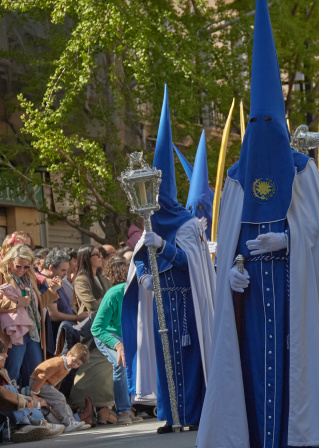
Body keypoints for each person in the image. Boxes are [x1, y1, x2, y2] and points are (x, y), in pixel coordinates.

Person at [197, 3, 319, 446]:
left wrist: (291, 238)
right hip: (253, 297)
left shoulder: (302, 171)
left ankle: (302, 433)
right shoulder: (238, 176)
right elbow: (231, 238)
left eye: (267, 121)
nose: (261, 129)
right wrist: (232, 272)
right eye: (254, 123)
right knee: (252, 366)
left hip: (298, 292)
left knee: (297, 362)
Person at [121, 86, 215, 435]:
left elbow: (193, 263)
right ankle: (170, 413)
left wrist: (164, 246)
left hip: (186, 302)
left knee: (188, 358)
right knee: (164, 358)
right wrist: (143, 273)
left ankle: (191, 411)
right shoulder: (151, 223)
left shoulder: (188, 224)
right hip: (161, 302)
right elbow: (142, 261)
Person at [92, 256, 143, 426]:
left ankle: (132, 406)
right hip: (109, 336)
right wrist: (118, 344)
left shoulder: (142, 289)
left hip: (128, 336)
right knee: (121, 363)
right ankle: (123, 410)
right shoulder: (114, 293)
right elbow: (97, 328)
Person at [0, 245, 59, 387]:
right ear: (10, 262)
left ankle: (31, 406)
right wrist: (16, 302)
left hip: (33, 330)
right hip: (14, 332)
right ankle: (10, 405)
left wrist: (52, 291)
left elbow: (36, 306)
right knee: (12, 372)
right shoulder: (3, 275)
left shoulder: (29, 277)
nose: (21, 270)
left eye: (26, 267)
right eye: (18, 266)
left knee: (35, 372)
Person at [69, 244, 115, 423]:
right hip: (91, 330)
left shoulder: (103, 278)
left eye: (100, 254)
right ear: (86, 259)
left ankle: (104, 408)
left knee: (106, 368)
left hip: (106, 326)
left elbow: (106, 301)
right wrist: (105, 302)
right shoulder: (81, 279)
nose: (100, 257)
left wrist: (104, 302)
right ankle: (84, 404)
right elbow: (92, 304)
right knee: (91, 368)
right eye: (95, 255)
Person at [0, 340, 64, 442]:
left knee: (38, 414)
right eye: (2, 353)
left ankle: (33, 425)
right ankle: (24, 425)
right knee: (8, 390)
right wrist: (23, 401)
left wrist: (27, 400)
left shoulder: (2, 373)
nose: (6, 355)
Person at [28, 343, 91, 432]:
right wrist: (34, 393)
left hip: (46, 384)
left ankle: (72, 422)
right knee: (60, 398)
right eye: (74, 361)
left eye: (78, 364)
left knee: (62, 400)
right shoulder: (57, 363)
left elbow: (57, 380)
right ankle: (68, 424)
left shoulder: (68, 367)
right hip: (38, 383)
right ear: (68, 354)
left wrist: (55, 391)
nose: (75, 365)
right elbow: (41, 376)